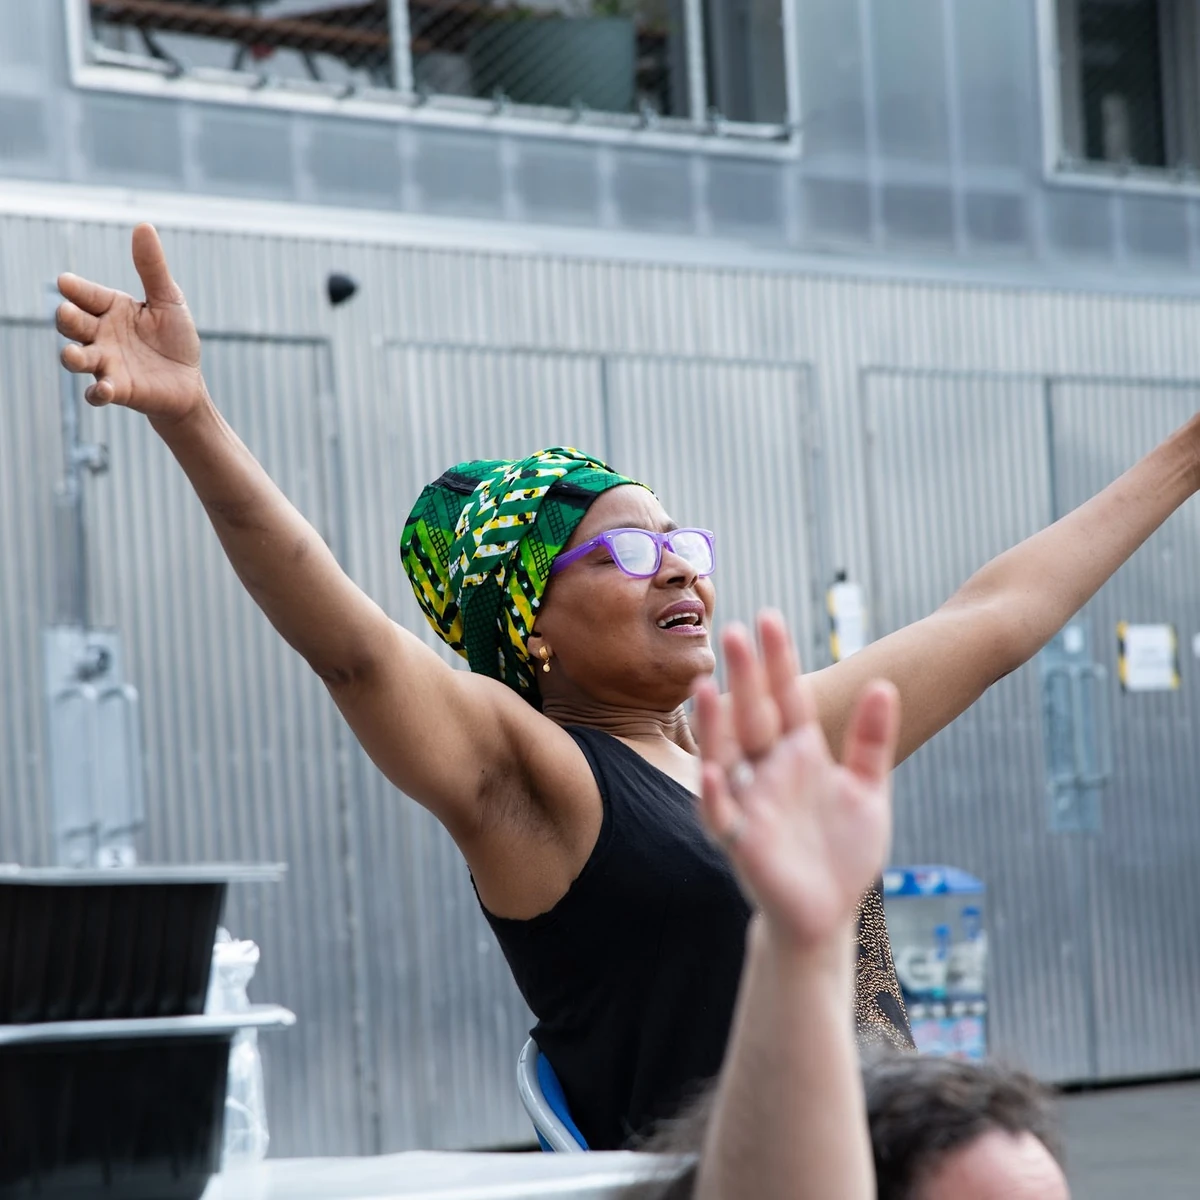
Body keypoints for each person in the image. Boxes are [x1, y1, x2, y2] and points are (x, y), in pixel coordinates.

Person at [53, 224, 1200, 1149]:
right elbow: (353, 648)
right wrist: (195, 420)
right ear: (531, 624)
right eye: (632, 550)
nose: (683, 567)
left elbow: (992, 621)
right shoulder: (540, 781)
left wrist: (1186, 455)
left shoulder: (755, 746)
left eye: (684, 540)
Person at [626, 626, 1068, 1200]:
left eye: (685, 555)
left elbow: (996, 620)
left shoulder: (767, 745)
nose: (681, 577)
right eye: (626, 567)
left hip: (888, 1101)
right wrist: (798, 943)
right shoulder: (561, 767)